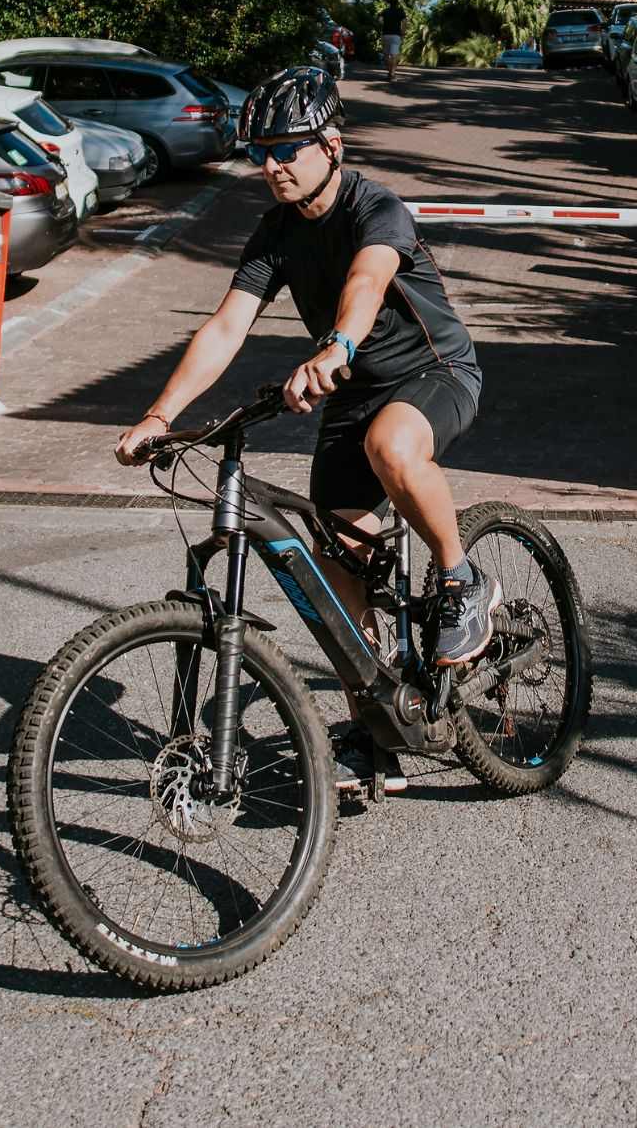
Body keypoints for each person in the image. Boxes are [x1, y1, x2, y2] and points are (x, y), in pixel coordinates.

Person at [114, 66, 488, 792]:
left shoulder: (375, 208)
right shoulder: (276, 232)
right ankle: (372, 731)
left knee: (393, 444)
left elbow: (366, 283)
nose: (273, 164)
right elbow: (226, 326)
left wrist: (338, 345)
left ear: (333, 144)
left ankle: (460, 576)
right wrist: (161, 415)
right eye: (263, 151)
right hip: (348, 393)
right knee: (338, 569)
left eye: (289, 148)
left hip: (433, 373)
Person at [377, 0, 409, 80]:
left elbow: (380, 20)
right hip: (396, 35)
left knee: (386, 55)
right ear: (397, 4)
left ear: (389, 4)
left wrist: (385, 25)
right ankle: (392, 73)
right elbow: (405, 22)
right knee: (394, 55)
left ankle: (389, 72)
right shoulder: (400, 12)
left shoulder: (385, 11)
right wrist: (403, 32)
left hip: (386, 34)